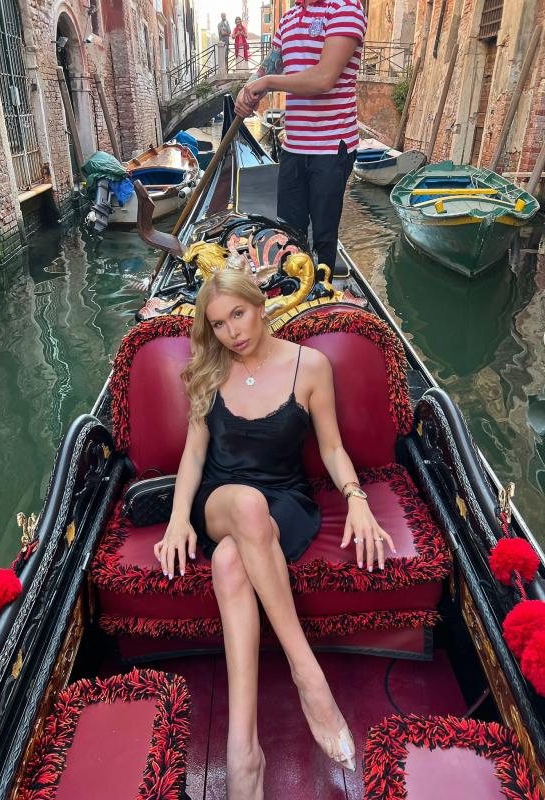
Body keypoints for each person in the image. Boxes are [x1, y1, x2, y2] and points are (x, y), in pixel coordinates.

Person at [154, 270, 395, 799]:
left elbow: (331, 447)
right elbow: (193, 454)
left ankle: (243, 752)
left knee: (229, 562)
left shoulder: (310, 366)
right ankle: (309, 677)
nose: (232, 333)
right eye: (219, 324)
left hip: (286, 503)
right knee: (244, 505)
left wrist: (356, 498)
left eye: (238, 315)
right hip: (221, 500)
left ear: (259, 305)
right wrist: (177, 520)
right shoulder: (208, 371)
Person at [235, 0, 367, 274]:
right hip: (294, 145)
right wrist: (247, 89)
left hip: (332, 147)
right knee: (288, 232)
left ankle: (323, 287)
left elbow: (323, 78)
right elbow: (272, 64)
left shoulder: (345, 8)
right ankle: (294, 285)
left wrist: (267, 82)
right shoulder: (289, 17)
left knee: (324, 235)